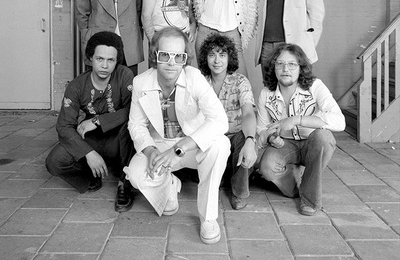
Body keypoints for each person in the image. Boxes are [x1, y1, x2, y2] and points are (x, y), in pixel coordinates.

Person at [123, 27, 230, 244]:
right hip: (161, 146)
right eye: (165, 55)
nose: (172, 63)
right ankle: (169, 186)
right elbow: (135, 125)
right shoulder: (141, 82)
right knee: (135, 175)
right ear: (155, 56)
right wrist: (150, 150)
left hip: (190, 147)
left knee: (220, 145)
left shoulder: (195, 78)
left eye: (178, 56)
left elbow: (220, 120)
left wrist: (179, 149)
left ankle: (208, 218)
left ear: (184, 59)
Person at [46, 31, 136, 212]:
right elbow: (64, 126)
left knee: (132, 127)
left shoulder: (125, 75)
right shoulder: (77, 85)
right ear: (90, 58)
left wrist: (97, 120)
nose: (105, 65)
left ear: (117, 61)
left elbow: (134, 111)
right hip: (91, 139)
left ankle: (124, 184)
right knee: (54, 161)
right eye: (99, 59)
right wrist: (88, 153)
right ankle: (91, 174)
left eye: (111, 60)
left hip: (118, 139)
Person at [256, 43, 345, 216]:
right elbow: (261, 128)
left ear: (300, 68)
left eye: (292, 64)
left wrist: (298, 119)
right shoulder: (266, 93)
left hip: (312, 142)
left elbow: (339, 121)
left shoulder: (315, 86)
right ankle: (300, 185)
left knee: (324, 137)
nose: (285, 69)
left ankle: (310, 199)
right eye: (280, 64)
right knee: (266, 167)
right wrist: (270, 138)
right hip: (286, 145)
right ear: (273, 67)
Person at [198, 33, 257, 210]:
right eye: (212, 54)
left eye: (222, 54)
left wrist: (250, 140)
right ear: (205, 58)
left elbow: (248, 113)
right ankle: (218, 179)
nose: (217, 60)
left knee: (243, 142)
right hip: (211, 138)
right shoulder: (200, 81)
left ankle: (239, 192)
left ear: (229, 58)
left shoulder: (240, 81)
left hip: (236, 134)